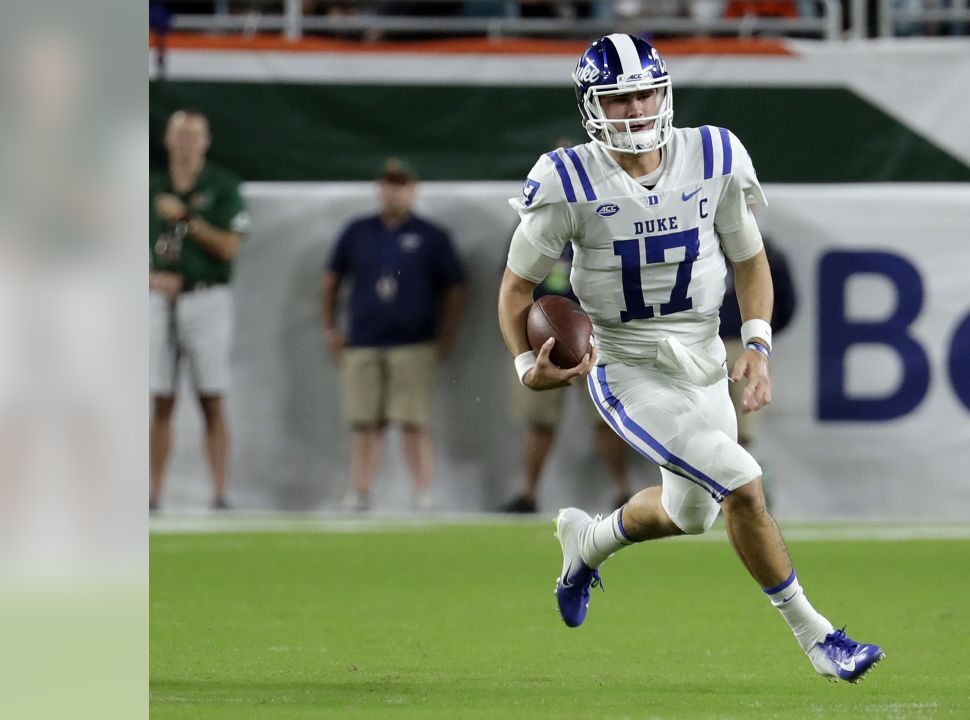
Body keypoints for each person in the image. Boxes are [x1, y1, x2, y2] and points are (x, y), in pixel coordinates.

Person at [496, 34, 884, 683]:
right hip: (624, 361)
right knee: (741, 481)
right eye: (618, 99)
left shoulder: (713, 154)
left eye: (644, 92)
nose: (636, 109)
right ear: (592, 106)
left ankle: (587, 544)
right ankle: (819, 637)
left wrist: (756, 342)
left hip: (703, 348)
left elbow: (749, 257)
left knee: (692, 512)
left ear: (665, 90)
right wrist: (523, 366)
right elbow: (515, 288)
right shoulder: (567, 179)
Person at [322, 159, 467, 512]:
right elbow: (331, 280)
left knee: (413, 421)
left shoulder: (432, 235)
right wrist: (331, 328)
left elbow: (456, 287)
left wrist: (447, 334)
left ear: (413, 189)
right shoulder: (358, 231)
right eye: (389, 184)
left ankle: (422, 491)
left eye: (401, 184)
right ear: (379, 188)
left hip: (413, 341)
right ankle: (359, 489)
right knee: (364, 422)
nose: (395, 191)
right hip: (364, 340)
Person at [150, 109, 250, 512]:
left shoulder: (223, 186)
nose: (186, 142)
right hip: (157, 297)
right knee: (160, 398)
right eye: (180, 134)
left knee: (212, 395)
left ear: (207, 141)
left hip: (207, 296)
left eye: (194, 135)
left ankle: (220, 491)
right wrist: (150, 279)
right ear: (167, 139)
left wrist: (187, 219)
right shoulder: (150, 186)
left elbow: (229, 247)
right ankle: (152, 492)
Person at [501, 245, 632, 514]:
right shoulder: (534, 220)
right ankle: (527, 493)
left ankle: (623, 490)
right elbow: (511, 285)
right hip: (540, 338)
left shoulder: (600, 216)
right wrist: (525, 353)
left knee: (607, 418)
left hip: (598, 334)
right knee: (540, 420)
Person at [720, 237, 796, 449]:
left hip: (741, 344)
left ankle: (740, 458)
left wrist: (759, 338)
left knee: (745, 419)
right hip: (696, 343)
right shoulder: (692, 242)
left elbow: (785, 303)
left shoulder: (763, 250)